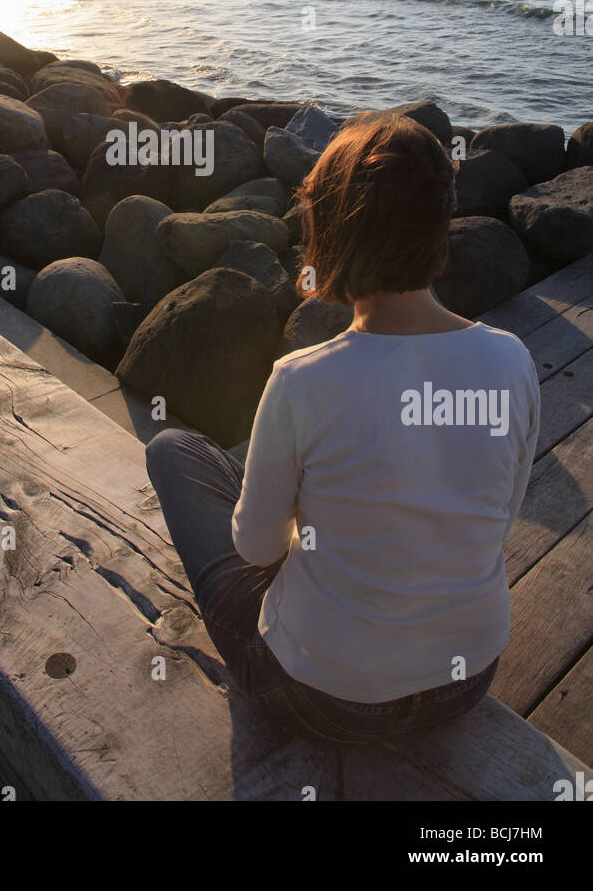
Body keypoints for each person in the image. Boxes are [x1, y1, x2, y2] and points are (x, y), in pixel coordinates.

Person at [145, 113, 540, 744]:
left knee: (173, 449)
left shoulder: (303, 379)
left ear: (329, 231)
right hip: (467, 681)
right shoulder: (513, 360)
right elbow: (500, 514)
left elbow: (255, 551)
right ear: (440, 227)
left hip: (321, 697)